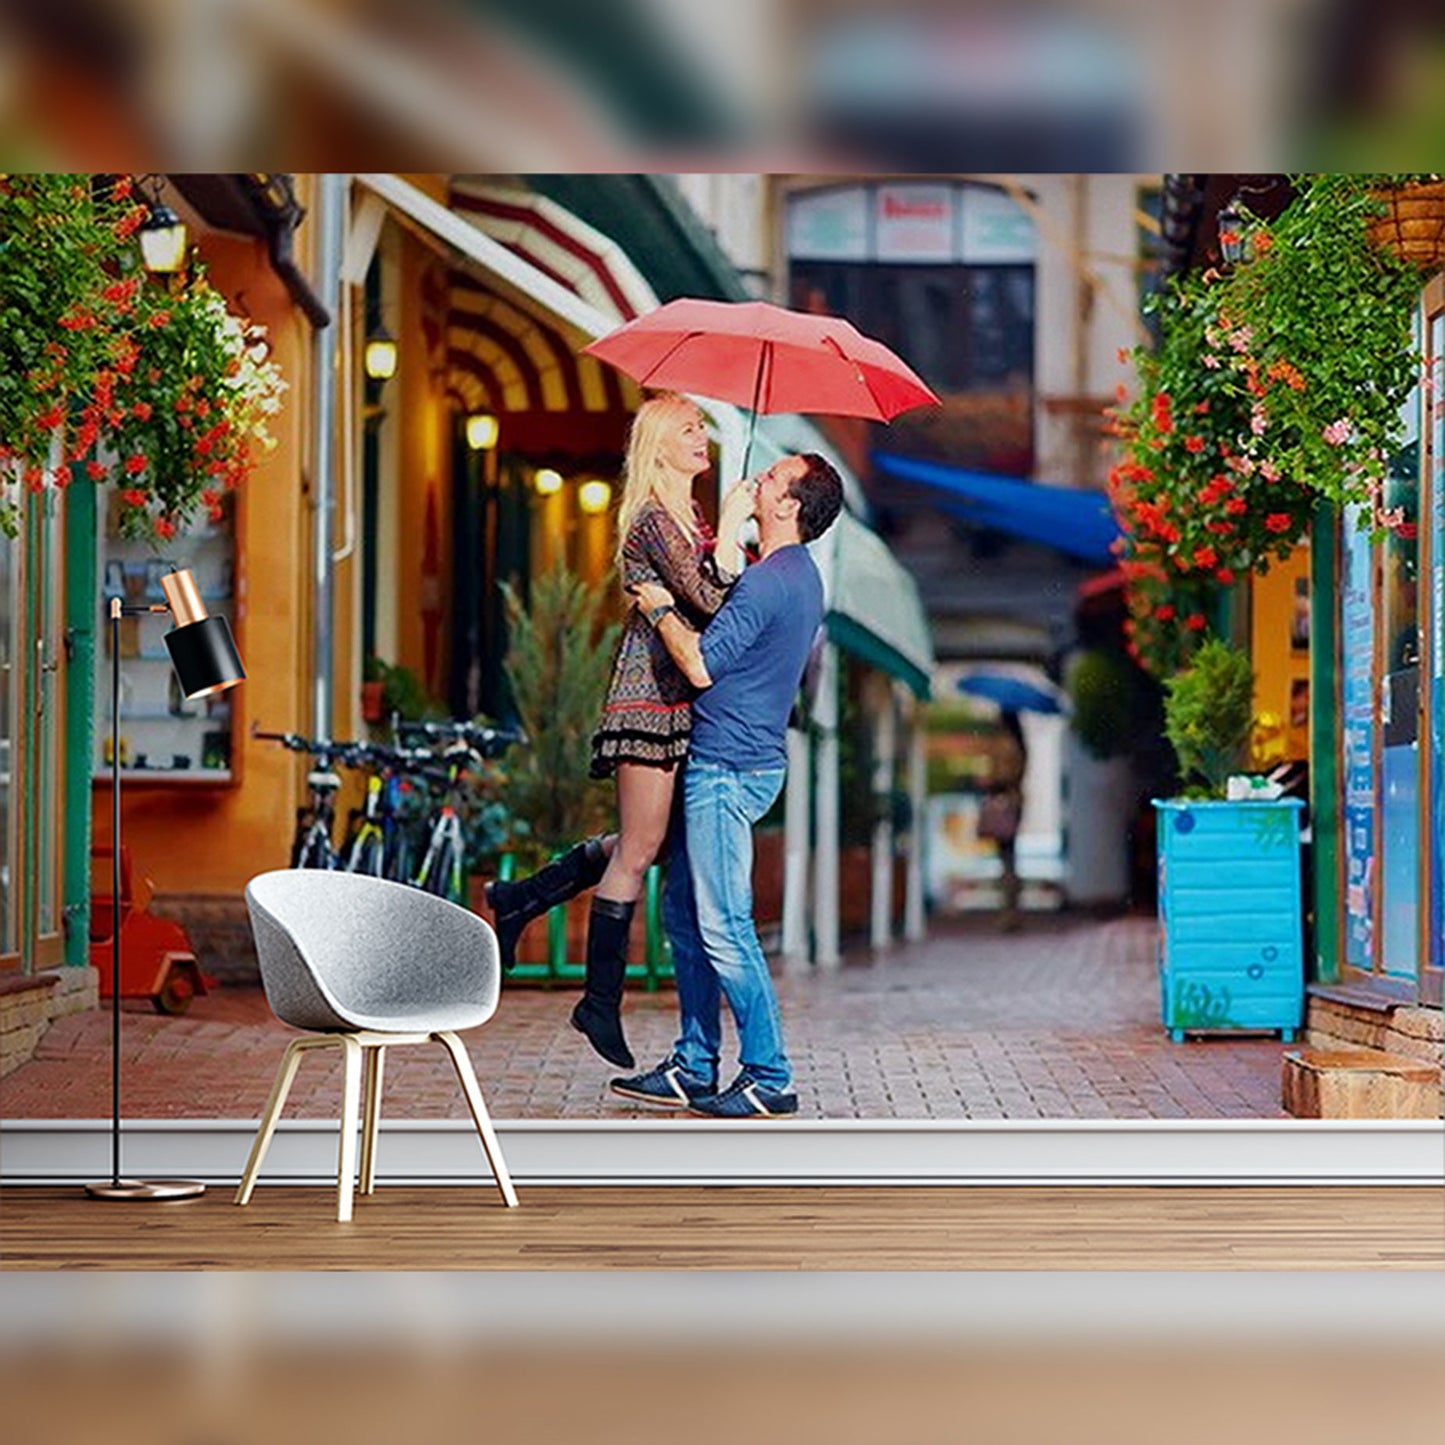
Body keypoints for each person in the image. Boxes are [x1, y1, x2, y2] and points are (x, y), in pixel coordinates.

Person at [484, 394, 756, 1069]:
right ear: (659, 444)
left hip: (672, 704)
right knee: (638, 850)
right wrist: (729, 528)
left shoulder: (681, 518)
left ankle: (520, 898)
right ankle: (597, 1002)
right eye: (689, 430)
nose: (702, 438)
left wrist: (719, 536)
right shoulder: (653, 519)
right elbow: (708, 598)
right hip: (646, 702)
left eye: (702, 428)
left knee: (652, 843)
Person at [610, 451, 844, 1118]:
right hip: (738, 761)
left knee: (722, 925)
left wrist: (656, 606)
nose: (758, 479)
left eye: (773, 478)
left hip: (725, 769)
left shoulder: (774, 580)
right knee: (686, 916)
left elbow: (702, 664)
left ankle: (768, 1074)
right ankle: (694, 1062)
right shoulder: (792, 575)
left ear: (790, 507)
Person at [983, 708, 1028, 931]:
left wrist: (989, 783)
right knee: (1010, 857)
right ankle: (1011, 911)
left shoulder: (1005, 745)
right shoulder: (1017, 744)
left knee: (1007, 859)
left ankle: (1009, 912)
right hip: (1013, 804)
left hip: (1004, 805)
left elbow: (1002, 776)